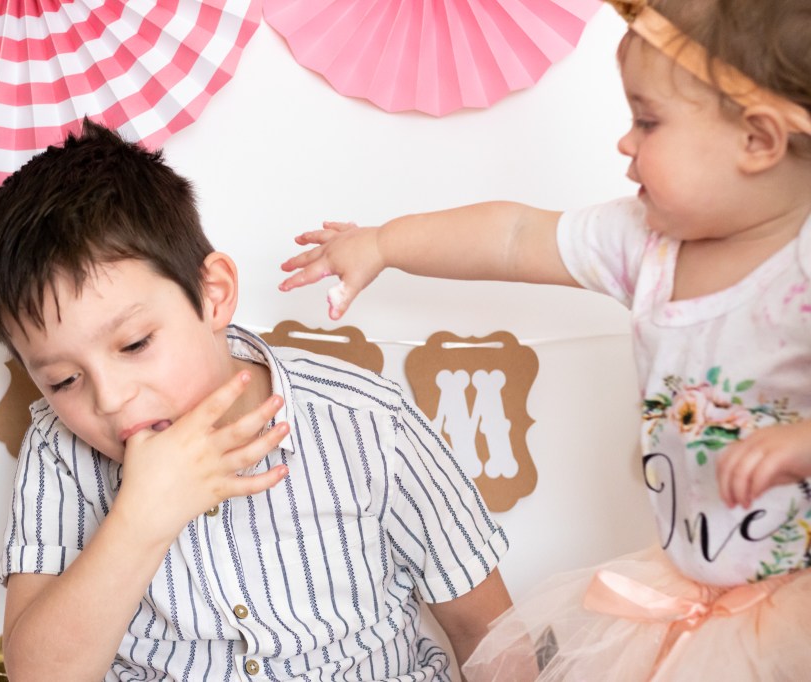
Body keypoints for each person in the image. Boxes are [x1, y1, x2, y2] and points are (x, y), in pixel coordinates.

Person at [279, 0, 811, 678]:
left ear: (758, 140)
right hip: (694, 590)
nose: (625, 143)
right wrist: (384, 243)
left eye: (648, 122)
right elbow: (515, 236)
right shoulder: (648, 245)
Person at [0, 119, 514, 681]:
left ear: (213, 295)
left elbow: (489, 634)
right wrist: (140, 519)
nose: (110, 399)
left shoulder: (370, 423)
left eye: (134, 344)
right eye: (63, 380)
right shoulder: (59, 450)